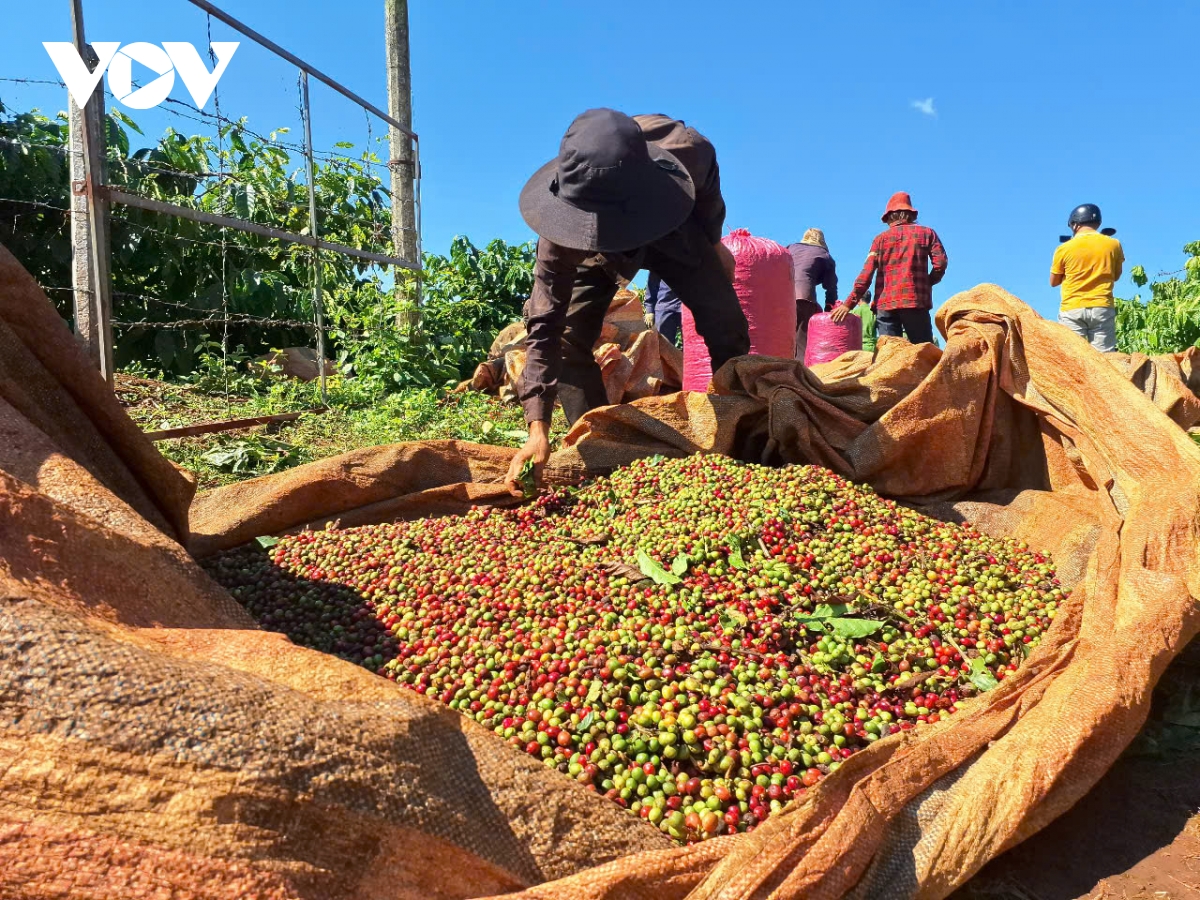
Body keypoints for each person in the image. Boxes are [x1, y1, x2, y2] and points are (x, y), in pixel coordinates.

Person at [505, 109, 749, 496]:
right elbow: (545, 325)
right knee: (568, 338)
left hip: (672, 222)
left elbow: (707, 198)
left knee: (727, 327)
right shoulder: (562, 231)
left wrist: (714, 243)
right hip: (592, 246)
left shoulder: (688, 151)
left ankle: (743, 432)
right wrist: (538, 428)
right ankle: (603, 444)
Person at [831, 192, 948, 344]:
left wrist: (849, 304)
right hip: (914, 302)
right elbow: (941, 263)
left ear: (889, 216)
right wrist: (926, 282)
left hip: (886, 305)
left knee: (889, 357)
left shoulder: (880, 240)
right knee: (923, 355)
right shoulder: (927, 233)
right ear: (910, 213)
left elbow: (866, 275)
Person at [1051, 203, 1123, 353]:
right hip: (1102, 306)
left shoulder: (1064, 248)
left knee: (1071, 358)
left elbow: (1054, 282)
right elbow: (1116, 276)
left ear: (1074, 224)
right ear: (1098, 223)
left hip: (1072, 308)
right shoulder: (1113, 244)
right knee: (1105, 361)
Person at [787, 228, 838, 359]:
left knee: (782, 339)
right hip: (804, 299)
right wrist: (829, 309)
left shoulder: (790, 248)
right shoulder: (824, 254)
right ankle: (799, 376)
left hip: (782, 297)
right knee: (801, 342)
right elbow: (831, 288)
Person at [643, 272, 682, 346]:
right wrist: (649, 310)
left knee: (694, 346)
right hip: (664, 307)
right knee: (661, 346)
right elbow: (651, 284)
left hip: (690, 308)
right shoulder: (660, 261)